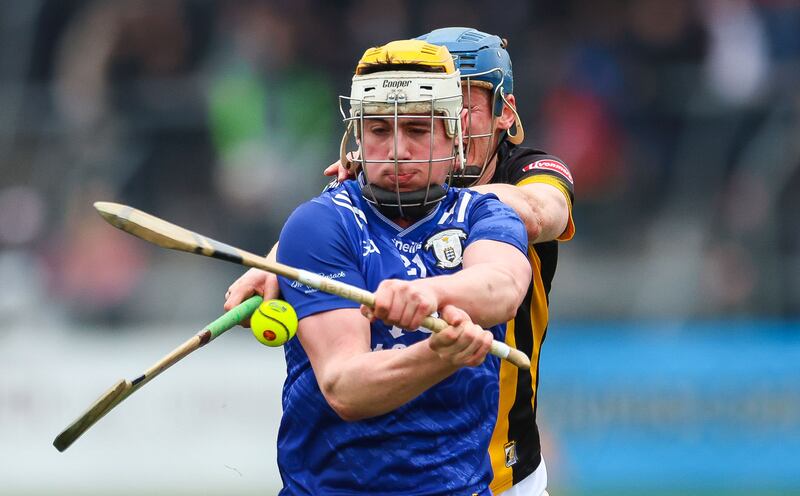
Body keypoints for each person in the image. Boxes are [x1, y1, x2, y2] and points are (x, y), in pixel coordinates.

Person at [225, 28, 575, 495]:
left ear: (502, 114)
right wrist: (278, 259)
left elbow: (536, 214)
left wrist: (419, 188)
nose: (399, 142)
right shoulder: (341, 209)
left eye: (424, 122)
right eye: (384, 125)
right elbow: (344, 380)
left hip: (501, 468)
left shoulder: (529, 174)